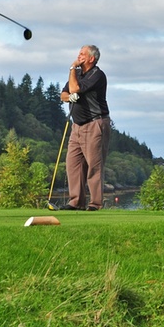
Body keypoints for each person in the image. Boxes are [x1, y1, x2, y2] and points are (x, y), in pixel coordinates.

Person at [60, 45, 110, 211]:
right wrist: (69, 96)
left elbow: (75, 89)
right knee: (73, 164)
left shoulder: (97, 75)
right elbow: (64, 94)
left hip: (95, 123)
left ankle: (95, 204)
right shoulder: (77, 74)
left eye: (82, 54)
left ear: (91, 59)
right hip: (77, 126)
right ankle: (76, 202)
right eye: (78, 53)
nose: (78, 56)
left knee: (94, 165)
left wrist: (72, 67)